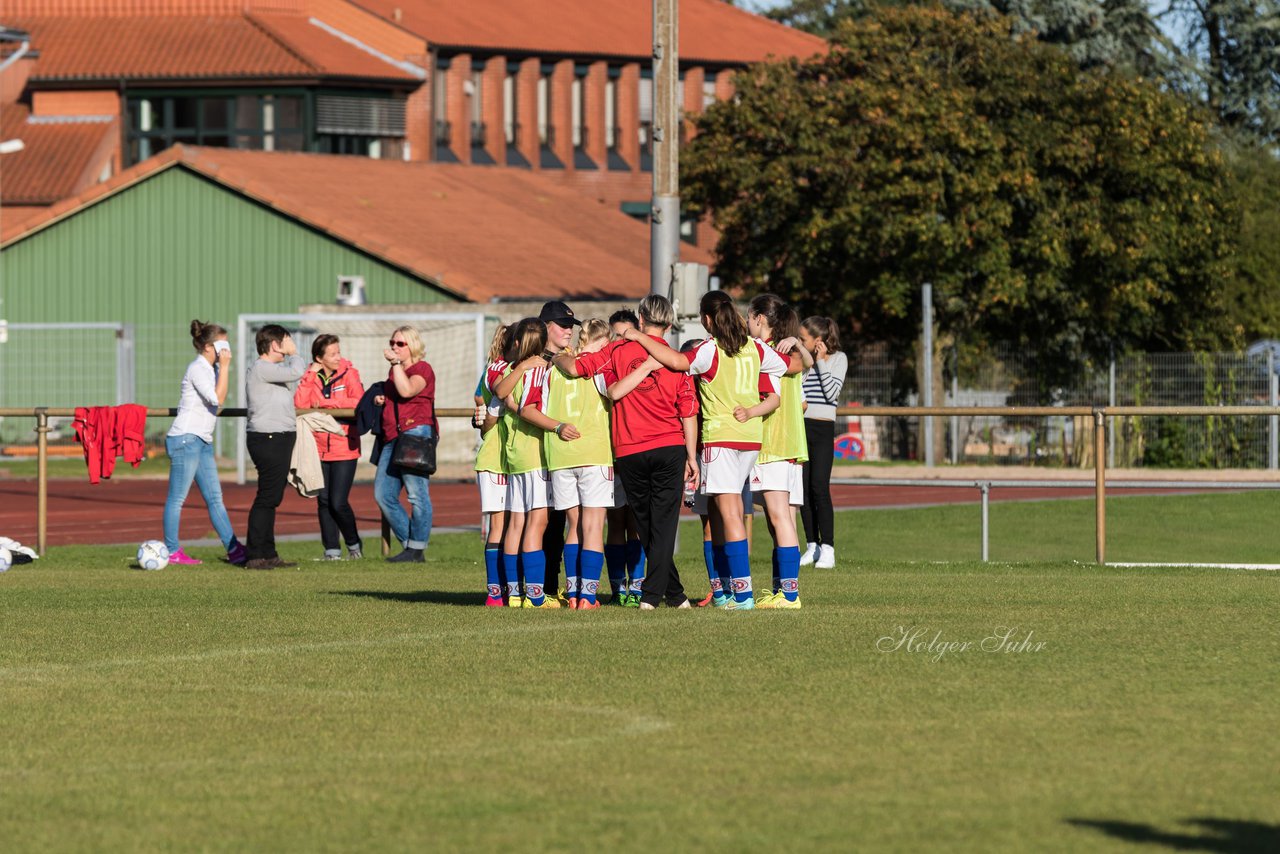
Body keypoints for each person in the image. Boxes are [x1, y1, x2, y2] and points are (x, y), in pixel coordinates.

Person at [625, 290, 790, 610]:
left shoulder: (709, 350)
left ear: (707, 319)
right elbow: (783, 364)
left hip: (721, 438)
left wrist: (636, 335)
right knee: (725, 512)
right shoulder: (754, 347)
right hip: (750, 438)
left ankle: (743, 596)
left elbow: (674, 361)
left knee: (729, 514)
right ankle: (729, 592)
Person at [556, 295, 699, 610]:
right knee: (661, 524)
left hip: (630, 448)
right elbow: (688, 409)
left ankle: (673, 595)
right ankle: (657, 594)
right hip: (669, 446)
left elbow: (580, 367)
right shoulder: (676, 359)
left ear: (642, 319)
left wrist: (556, 358)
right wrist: (692, 455)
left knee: (647, 523)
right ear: (671, 323)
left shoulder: (618, 350)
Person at [539, 318, 614, 610]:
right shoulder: (598, 367)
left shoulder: (553, 370)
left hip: (560, 454)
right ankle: (588, 597)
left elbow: (544, 407)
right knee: (593, 526)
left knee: (574, 526)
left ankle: (572, 595)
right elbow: (614, 394)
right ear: (599, 342)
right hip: (593, 452)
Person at [163, 319, 246, 566]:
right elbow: (217, 400)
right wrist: (227, 367)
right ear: (209, 347)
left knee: (215, 498)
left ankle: (234, 549)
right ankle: (171, 550)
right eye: (223, 344)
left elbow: (215, 404)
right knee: (177, 498)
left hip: (201, 440)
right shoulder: (198, 368)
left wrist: (222, 368)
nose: (227, 349)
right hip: (186, 439)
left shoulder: (212, 370)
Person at [748, 294, 813, 608]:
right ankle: (782, 590)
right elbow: (804, 376)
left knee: (779, 518)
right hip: (791, 445)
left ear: (760, 318)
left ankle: (789, 595)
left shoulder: (766, 352)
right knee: (782, 520)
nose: (747, 324)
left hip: (774, 443)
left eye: (749, 318)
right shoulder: (788, 352)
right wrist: (798, 345)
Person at [492, 318, 559, 608]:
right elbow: (528, 408)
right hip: (534, 453)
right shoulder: (540, 370)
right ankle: (535, 595)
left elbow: (500, 392)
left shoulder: (509, 368)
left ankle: (514, 594)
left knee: (515, 523)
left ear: (517, 341)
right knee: (537, 522)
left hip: (514, 454)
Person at [293, 334, 365, 561]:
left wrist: (325, 405)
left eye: (338, 352)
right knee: (323, 501)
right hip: (317, 446)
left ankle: (354, 545)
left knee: (337, 501)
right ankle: (331, 551)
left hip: (344, 445)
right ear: (318, 358)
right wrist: (311, 373)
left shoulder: (350, 373)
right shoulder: (310, 376)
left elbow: (357, 401)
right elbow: (300, 404)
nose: (338, 357)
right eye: (332, 354)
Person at [244, 323, 306, 570]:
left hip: (279, 436)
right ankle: (256, 554)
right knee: (267, 497)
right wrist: (295, 353)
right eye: (286, 341)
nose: (289, 346)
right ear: (274, 345)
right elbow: (297, 371)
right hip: (268, 437)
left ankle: (268, 553)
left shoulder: (271, 370)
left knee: (272, 497)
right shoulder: (262, 367)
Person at [375, 325, 437, 563]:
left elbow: (408, 390)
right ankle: (411, 546)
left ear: (412, 345)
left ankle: (416, 549)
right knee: (383, 494)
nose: (394, 347)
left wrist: (394, 365)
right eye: (392, 343)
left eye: (400, 344)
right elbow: (396, 393)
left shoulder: (422, 368)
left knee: (417, 495)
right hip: (393, 437)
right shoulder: (396, 370)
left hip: (415, 434)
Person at [536, 300, 580, 604]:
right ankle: (526, 588)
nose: (568, 331)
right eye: (562, 325)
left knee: (557, 521)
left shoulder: (571, 360)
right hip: (533, 449)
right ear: (545, 327)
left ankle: (550, 586)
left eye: (571, 326)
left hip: (563, 451)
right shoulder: (531, 360)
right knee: (534, 521)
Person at [798, 316, 848, 569]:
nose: (799, 341)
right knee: (803, 490)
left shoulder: (839, 359)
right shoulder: (803, 362)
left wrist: (820, 362)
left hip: (823, 429)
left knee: (819, 487)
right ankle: (811, 545)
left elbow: (831, 394)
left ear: (818, 341)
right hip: (801, 426)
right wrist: (809, 363)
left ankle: (828, 548)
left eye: (803, 338)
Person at [604, 309, 646, 606]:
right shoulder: (606, 366)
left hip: (641, 452)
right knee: (616, 522)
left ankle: (638, 585)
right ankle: (618, 586)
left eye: (626, 335)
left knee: (639, 524)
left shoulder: (645, 366)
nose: (621, 341)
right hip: (613, 456)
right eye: (616, 335)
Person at [474, 324, 510, 606]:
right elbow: (487, 410)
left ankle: (508, 589)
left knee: (513, 524)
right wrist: (483, 419)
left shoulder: (502, 368)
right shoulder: (499, 369)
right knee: (499, 525)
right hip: (496, 456)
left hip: (510, 456)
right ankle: (496, 591)